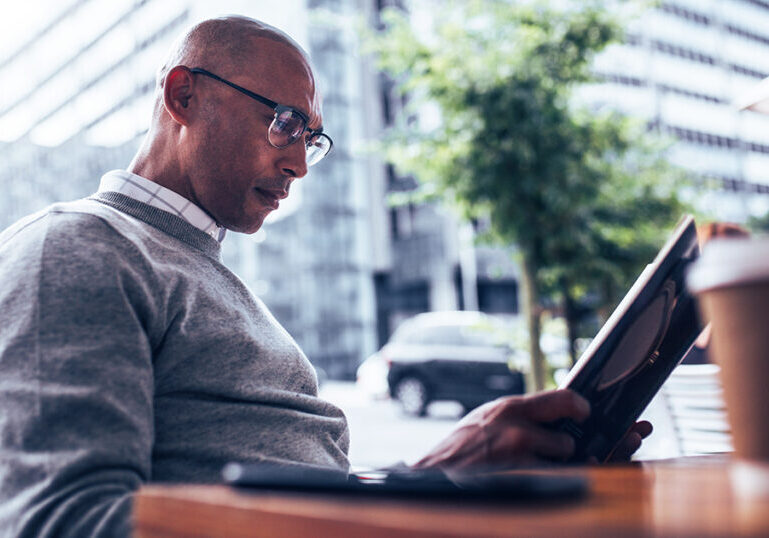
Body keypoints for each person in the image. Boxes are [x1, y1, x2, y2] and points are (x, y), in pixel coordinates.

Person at [0, 16, 650, 537]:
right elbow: (63, 520)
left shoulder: (202, 267)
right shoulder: (77, 247)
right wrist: (412, 495)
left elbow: (293, 487)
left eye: (310, 138)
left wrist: (433, 476)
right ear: (183, 96)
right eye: (282, 121)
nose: (299, 166)